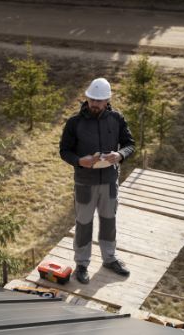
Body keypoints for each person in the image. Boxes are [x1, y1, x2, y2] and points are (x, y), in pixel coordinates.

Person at [59, 77, 135, 284]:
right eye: (91, 99)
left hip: (109, 181)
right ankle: (82, 264)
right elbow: (64, 151)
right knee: (84, 223)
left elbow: (129, 144)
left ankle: (109, 259)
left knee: (109, 220)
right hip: (85, 182)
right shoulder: (74, 123)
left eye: (98, 100)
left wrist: (120, 155)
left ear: (107, 100)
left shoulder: (117, 119)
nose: (94, 104)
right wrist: (78, 161)